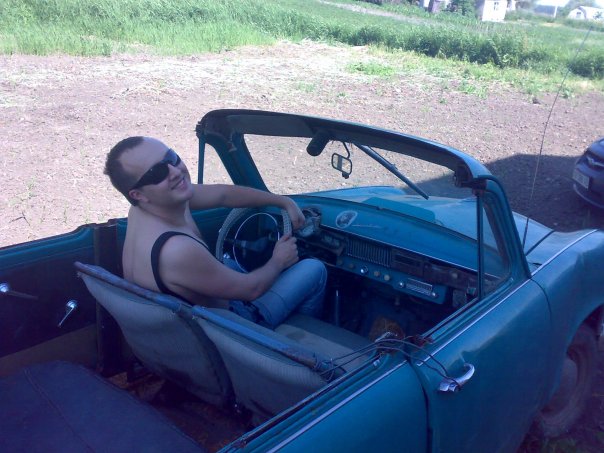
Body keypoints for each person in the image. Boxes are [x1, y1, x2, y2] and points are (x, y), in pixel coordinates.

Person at [104, 136, 325, 329]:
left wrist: (282, 201)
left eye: (171, 158)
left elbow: (223, 195)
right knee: (314, 269)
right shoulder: (176, 250)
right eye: (157, 173)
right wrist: (279, 260)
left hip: (195, 325)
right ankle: (293, 337)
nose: (175, 171)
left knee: (234, 263)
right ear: (138, 194)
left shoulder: (148, 207)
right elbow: (251, 289)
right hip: (235, 327)